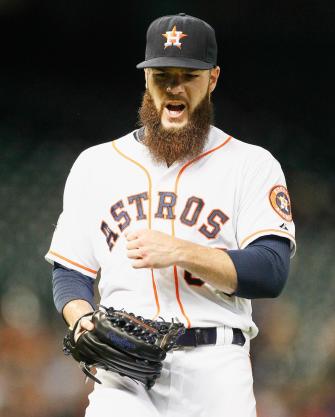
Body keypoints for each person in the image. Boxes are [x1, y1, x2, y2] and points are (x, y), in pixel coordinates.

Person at [45, 13, 296, 417]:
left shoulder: (251, 164)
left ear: (212, 79)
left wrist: (181, 250)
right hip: (122, 369)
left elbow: (270, 271)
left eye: (188, 75)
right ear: (146, 80)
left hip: (215, 369)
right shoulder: (95, 165)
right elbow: (69, 271)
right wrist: (80, 319)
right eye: (162, 75)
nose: (173, 88)